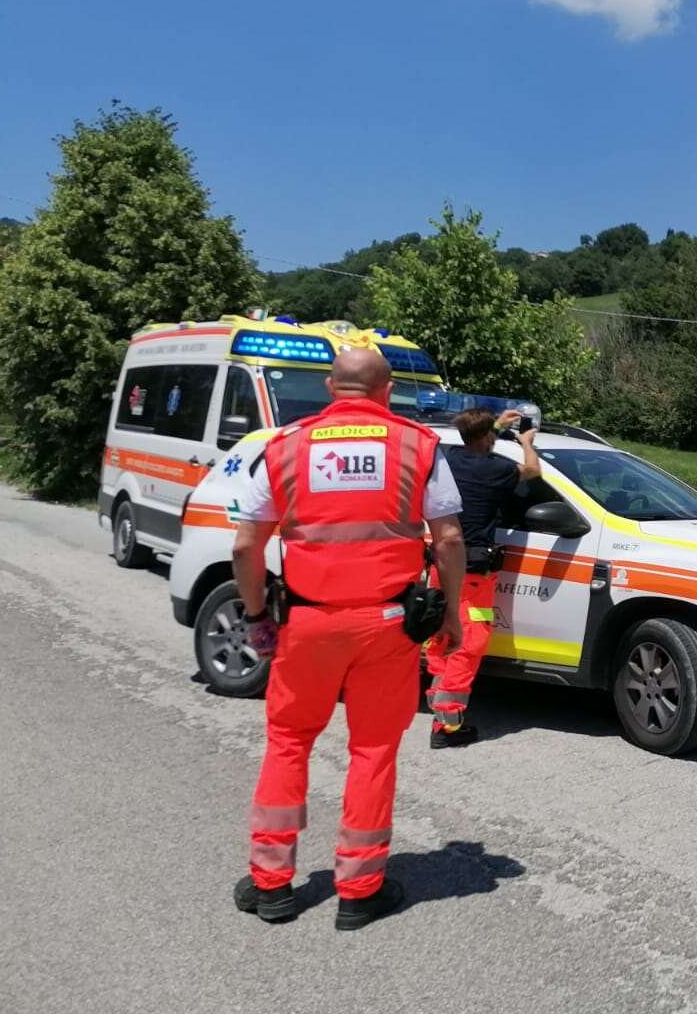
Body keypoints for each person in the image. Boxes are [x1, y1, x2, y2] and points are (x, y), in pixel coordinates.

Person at [229, 349, 466, 931]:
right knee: (373, 750)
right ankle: (359, 891)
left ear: (331, 386)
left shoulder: (284, 446)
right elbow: (451, 537)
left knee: (288, 741)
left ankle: (272, 885)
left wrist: (259, 615)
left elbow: (244, 547)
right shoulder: (418, 446)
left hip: (307, 624)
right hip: (387, 626)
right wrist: (452, 614)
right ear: (385, 389)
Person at [424, 406, 541, 747]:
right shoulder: (498, 469)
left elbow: (476, 445)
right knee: (468, 641)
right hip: (473, 571)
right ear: (488, 436)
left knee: (442, 638)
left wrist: (496, 429)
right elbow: (532, 470)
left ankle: (438, 712)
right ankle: (447, 727)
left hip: (441, 564)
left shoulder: (450, 460)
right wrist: (526, 441)